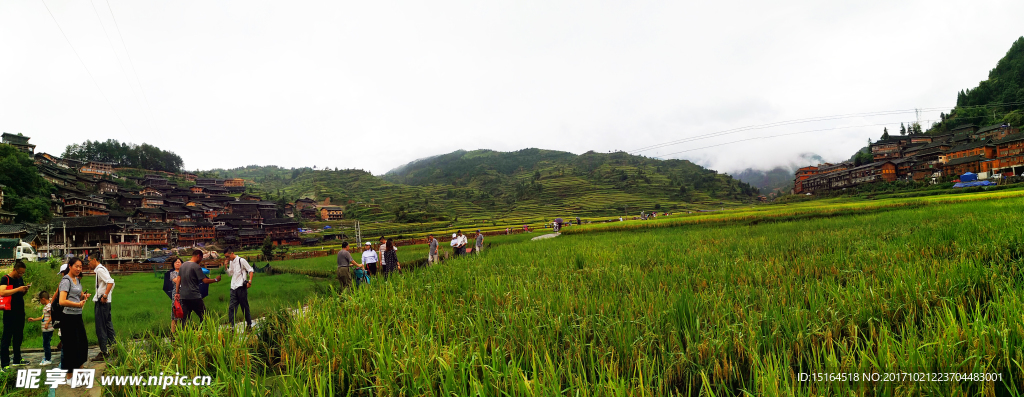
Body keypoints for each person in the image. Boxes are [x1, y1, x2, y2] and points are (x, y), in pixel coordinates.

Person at [58, 257, 91, 378]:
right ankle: (69, 376)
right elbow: (62, 301)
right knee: (70, 346)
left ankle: (80, 369)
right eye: (76, 266)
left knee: (82, 343)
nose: (79, 269)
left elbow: (79, 296)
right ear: (70, 266)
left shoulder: (77, 280)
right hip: (68, 317)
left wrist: (84, 297)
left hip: (77, 316)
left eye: (80, 266)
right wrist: (77, 304)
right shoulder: (66, 280)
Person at [176, 250, 222, 326]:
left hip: (184, 296)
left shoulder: (183, 265)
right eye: (201, 258)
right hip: (194, 296)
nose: (201, 260)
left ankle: (184, 334)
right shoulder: (196, 266)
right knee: (204, 316)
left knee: (184, 318)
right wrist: (216, 279)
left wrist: (177, 293)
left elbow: (178, 279)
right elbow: (205, 281)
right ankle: (204, 332)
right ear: (198, 256)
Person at [1, 261, 31, 369]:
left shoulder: (19, 279)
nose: (21, 275)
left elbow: (19, 294)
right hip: (9, 312)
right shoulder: (6, 279)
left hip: (19, 311)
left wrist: (24, 289)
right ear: (15, 269)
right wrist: (18, 289)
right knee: (7, 337)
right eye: (19, 273)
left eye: (22, 273)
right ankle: (4, 364)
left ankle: (17, 359)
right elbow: (2, 292)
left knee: (18, 336)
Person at [88, 255, 116, 362]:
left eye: (89, 261)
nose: (89, 263)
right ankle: (114, 347)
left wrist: (104, 295)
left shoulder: (100, 270)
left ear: (95, 260)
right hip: (106, 301)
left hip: (102, 301)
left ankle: (104, 351)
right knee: (108, 325)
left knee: (100, 327)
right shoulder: (103, 269)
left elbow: (111, 282)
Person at [224, 250, 254, 329]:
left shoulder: (241, 260)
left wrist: (249, 281)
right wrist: (226, 266)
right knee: (231, 307)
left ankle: (249, 324)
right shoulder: (231, 262)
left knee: (244, 306)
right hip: (233, 287)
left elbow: (250, 270)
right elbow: (230, 274)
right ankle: (232, 327)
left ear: (232, 253)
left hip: (241, 287)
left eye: (228, 256)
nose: (227, 258)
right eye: (226, 257)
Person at [28, 291, 54, 365]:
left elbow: (53, 315)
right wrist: (34, 319)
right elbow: (43, 317)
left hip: (48, 329)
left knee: (46, 344)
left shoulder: (49, 306)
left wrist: (47, 322)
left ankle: (48, 359)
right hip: (46, 329)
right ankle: (47, 357)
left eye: (40, 300)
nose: (40, 302)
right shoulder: (46, 307)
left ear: (43, 299)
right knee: (45, 343)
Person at [167, 257, 183, 334]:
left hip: (184, 293)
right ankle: (173, 333)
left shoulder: (184, 272)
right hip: (176, 294)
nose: (177, 263)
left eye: (179, 262)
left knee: (183, 313)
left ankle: (183, 332)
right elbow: (176, 281)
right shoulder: (172, 273)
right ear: (173, 265)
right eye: (176, 262)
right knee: (175, 313)